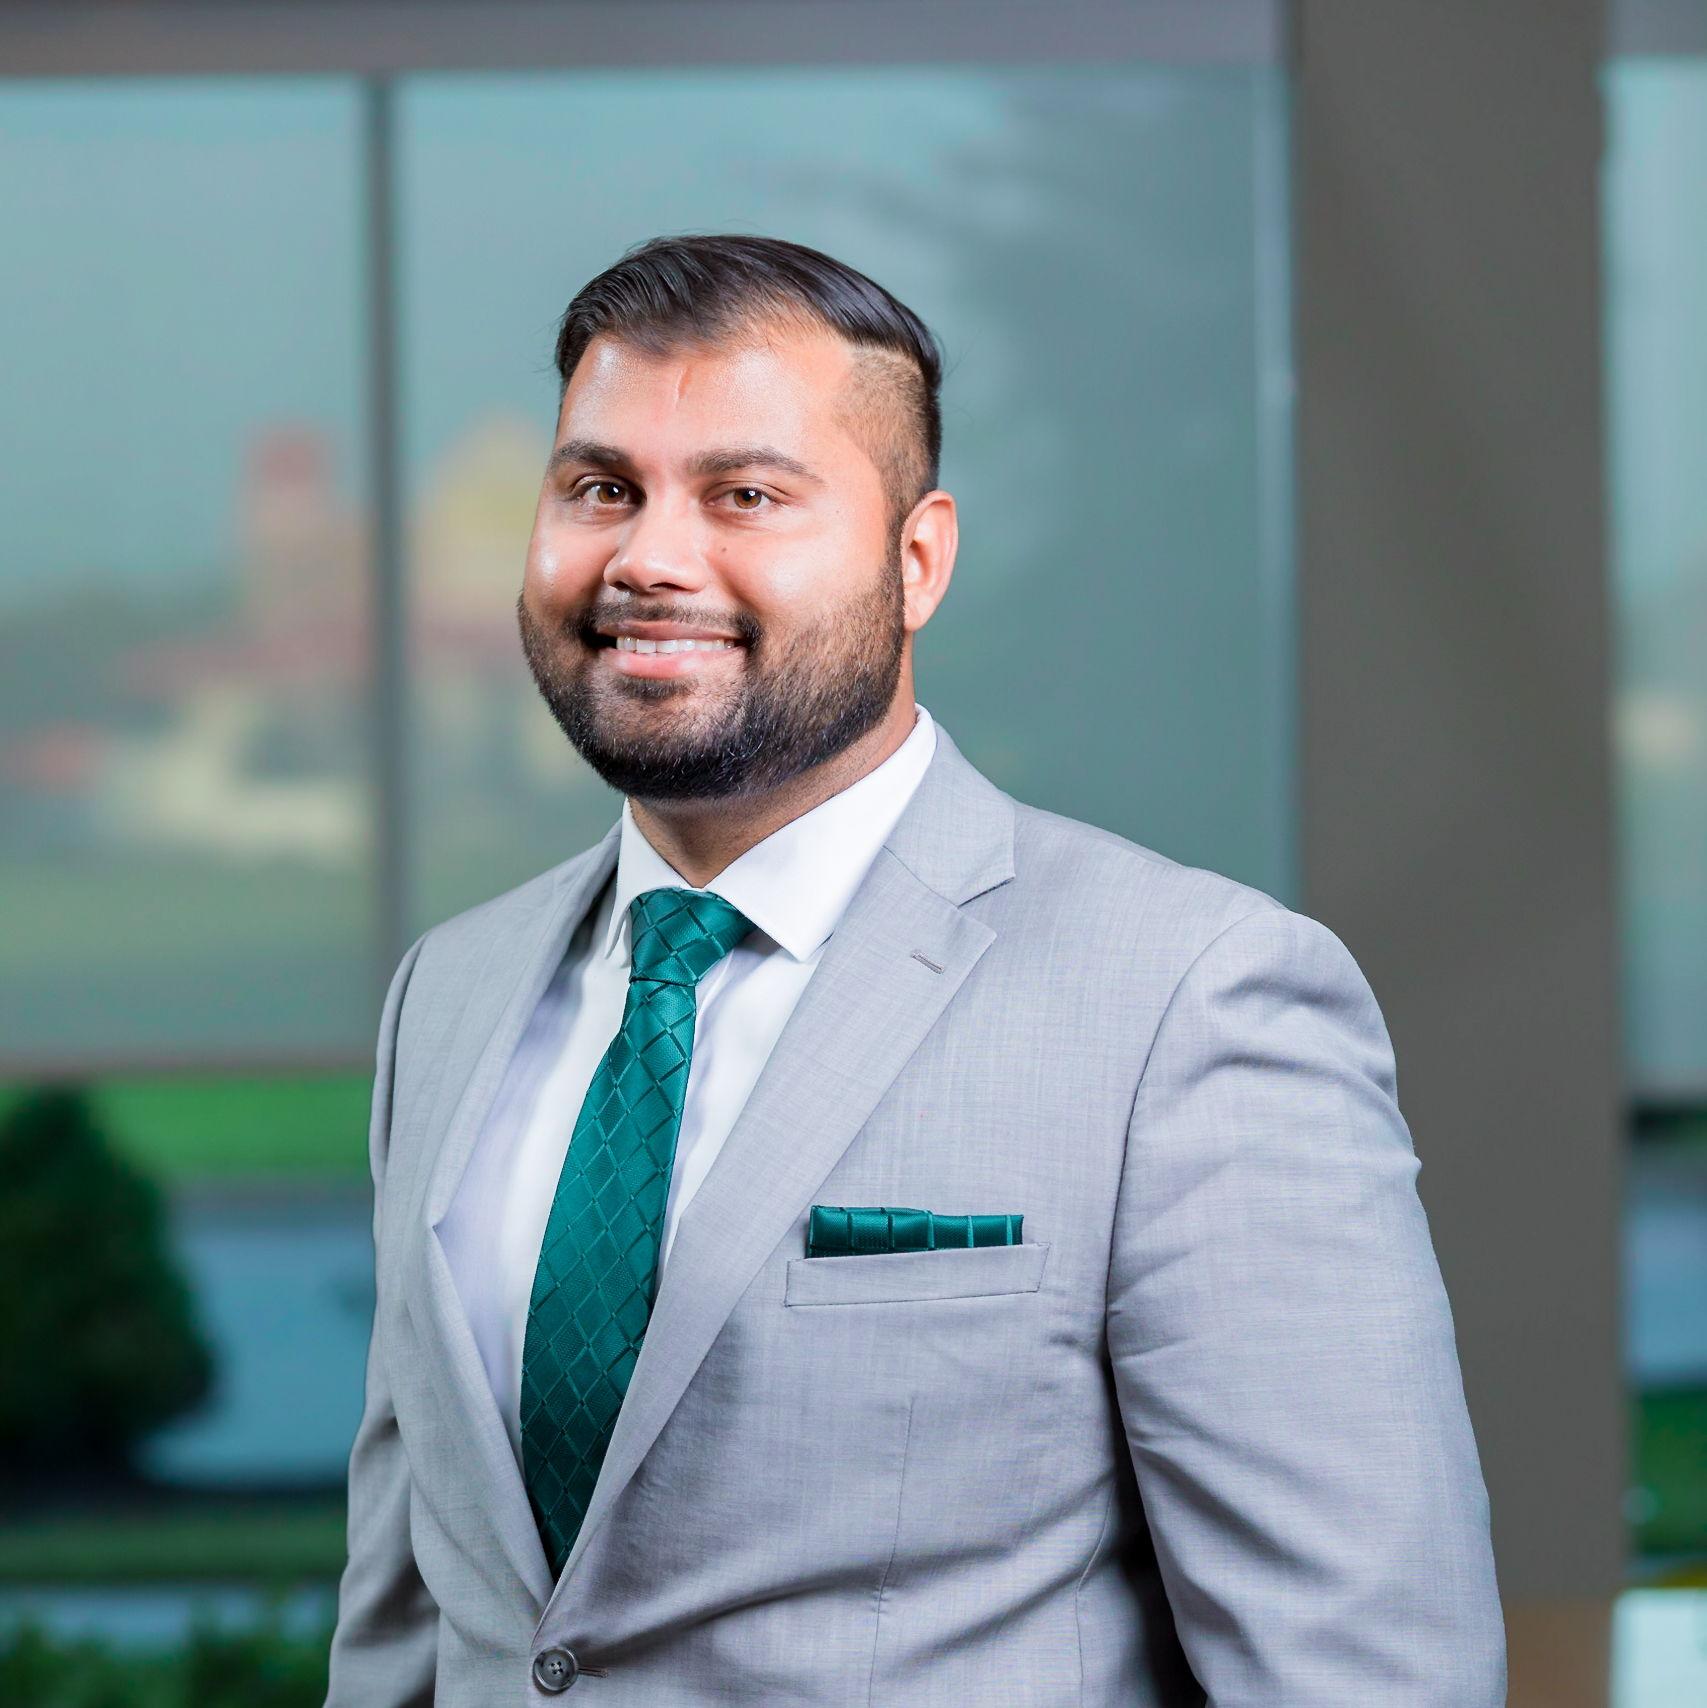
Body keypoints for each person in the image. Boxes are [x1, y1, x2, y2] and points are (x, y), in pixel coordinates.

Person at [324, 233, 1505, 1706]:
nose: (648, 559)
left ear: (917, 559)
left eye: (746, 495)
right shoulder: (448, 993)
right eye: (601, 488)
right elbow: (412, 1622)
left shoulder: (1193, 1001)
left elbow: (1369, 1673)